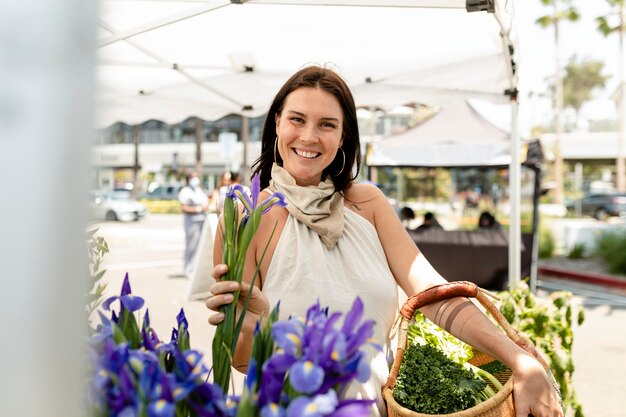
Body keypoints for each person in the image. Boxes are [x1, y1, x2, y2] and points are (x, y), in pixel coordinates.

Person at [205, 66, 562, 417]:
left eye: (327, 124)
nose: (309, 136)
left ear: (343, 137)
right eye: (297, 119)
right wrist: (252, 324)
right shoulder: (244, 217)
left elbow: (434, 295)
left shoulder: (368, 204)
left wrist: (519, 359)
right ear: (278, 123)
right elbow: (239, 361)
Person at [178, 171, 209, 278]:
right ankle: (187, 269)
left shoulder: (199, 190)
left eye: (197, 177)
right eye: (193, 177)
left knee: (199, 246)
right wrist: (199, 209)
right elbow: (184, 208)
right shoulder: (185, 191)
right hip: (192, 222)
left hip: (202, 221)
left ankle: (194, 269)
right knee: (191, 246)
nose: (196, 179)